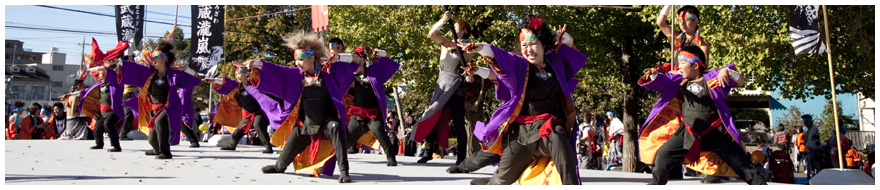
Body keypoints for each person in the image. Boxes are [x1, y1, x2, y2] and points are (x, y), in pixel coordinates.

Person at [461, 14, 585, 185]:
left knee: (560, 144)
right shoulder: (520, 65)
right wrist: (482, 48)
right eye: (524, 45)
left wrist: (560, 37)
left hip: (548, 131)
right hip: (521, 136)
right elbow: (502, 58)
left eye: (533, 44)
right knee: (501, 180)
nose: (529, 49)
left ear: (543, 44)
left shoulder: (555, 63)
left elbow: (571, 52)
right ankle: (484, 182)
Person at [639, 46, 765, 185]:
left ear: (696, 65)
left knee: (742, 165)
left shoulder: (713, 78)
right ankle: (657, 184)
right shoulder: (679, 80)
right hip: (687, 132)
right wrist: (653, 75)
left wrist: (727, 71)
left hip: (716, 133)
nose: (679, 66)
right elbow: (664, 80)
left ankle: (760, 185)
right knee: (663, 155)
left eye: (682, 62)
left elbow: (741, 81)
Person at [253, 31, 361, 183]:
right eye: (296, 59)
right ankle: (279, 166)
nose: (298, 63)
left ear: (312, 57)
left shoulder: (330, 71)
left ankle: (344, 171)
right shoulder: (297, 75)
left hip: (326, 123)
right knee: (282, 162)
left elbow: (357, 59)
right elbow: (277, 71)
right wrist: (256, 64)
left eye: (301, 59)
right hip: (305, 126)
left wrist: (337, 58)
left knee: (336, 127)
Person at [100, 40, 200, 159]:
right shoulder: (149, 73)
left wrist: (187, 70)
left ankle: (166, 152)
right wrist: (118, 61)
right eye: (152, 58)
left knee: (160, 122)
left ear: (164, 59)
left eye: (155, 57)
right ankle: (158, 150)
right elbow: (134, 67)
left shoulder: (175, 75)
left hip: (169, 107)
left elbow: (197, 79)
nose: (153, 60)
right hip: (153, 108)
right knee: (152, 139)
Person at [411, 11, 473, 164]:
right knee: (434, 115)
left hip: (456, 88)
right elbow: (432, 33)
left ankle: (461, 158)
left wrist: (469, 77)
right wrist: (443, 20)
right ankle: (428, 152)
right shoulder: (446, 43)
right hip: (442, 86)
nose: (453, 27)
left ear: (464, 30)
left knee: (459, 122)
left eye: (456, 25)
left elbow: (467, 68)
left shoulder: (467, 49)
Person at [205, 61, 289, 154]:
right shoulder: (237, 86)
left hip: (259, 112)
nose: (237, 76)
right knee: (239, 130)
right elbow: (226, 82)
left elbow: (261, 76)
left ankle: (268, 147)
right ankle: (232, 145)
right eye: (236, 74)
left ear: (247, 74)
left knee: (258, 125)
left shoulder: (255, 84)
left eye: (240, 74)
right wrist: (215, 80)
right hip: (247, 113)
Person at [75, 39, 129, 152]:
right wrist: (70, 94)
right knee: (97, 128)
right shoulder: (101, 82)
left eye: (107, 62)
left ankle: (116, 146)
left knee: (108, 124)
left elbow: (105, 69)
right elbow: (86, 91)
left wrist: (91, 69)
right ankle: (99, 144)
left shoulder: (115, 78)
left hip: (114, 109)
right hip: (102, 110)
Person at [803, 114, 822, 178]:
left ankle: (813, 177)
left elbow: (812, 140)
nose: (804, 124)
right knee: (810, 165)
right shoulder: (809, 129)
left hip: (813, 150)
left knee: (813, 165)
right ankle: (811, 176)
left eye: (805, 122)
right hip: (810, 150)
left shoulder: (813, 129)